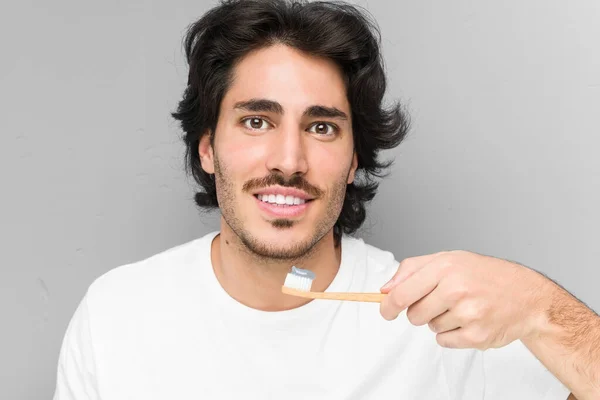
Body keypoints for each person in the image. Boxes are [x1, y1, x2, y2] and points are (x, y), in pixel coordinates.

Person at [53, 0, 600, 399]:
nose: (288, 160)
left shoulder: (439, 323)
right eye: (256, 121)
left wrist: (542, 308)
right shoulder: (117, 316)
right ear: (208, 150)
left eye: (320, 127)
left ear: (355, 155)